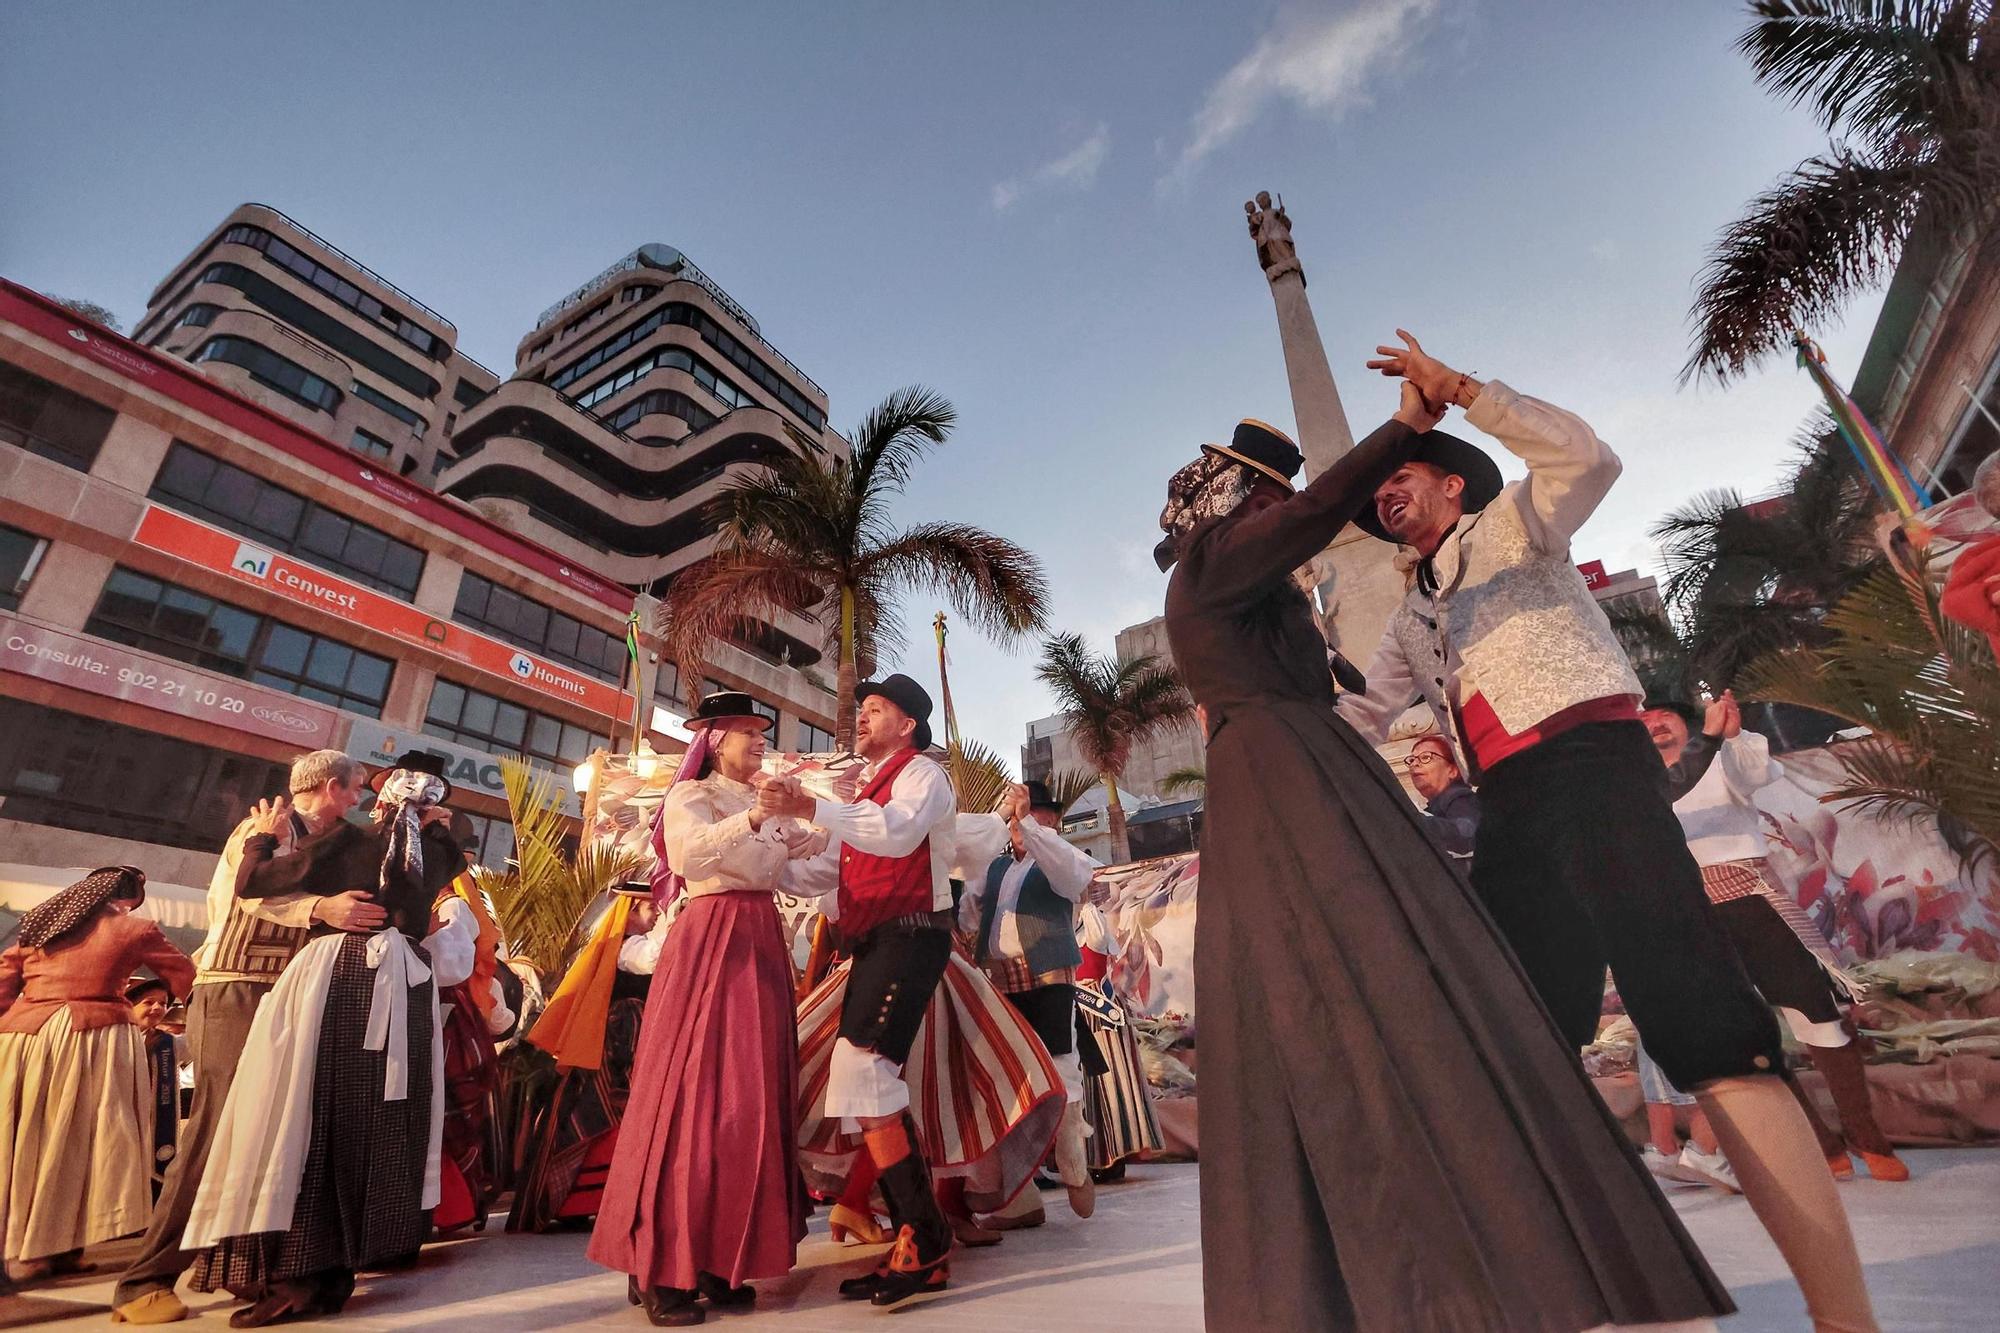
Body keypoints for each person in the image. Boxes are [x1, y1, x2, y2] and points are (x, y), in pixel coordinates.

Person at [1160, 396, 1742, 1330]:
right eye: (1276, 501)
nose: (1296, 516)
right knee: (1380, 992)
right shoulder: (1217, 564)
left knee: (1425, 996)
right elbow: (1315, 530)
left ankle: (1500, 1252)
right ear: (1243, 502)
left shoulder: (1272, 588)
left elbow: (1352, 694)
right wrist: (1402, 425)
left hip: (1325, 776)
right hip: (1295, 784)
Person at [1336, 332, 1876, 1332]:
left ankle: (1846, 1319)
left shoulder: (1512, 526)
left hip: (1592, 766)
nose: (1383, 494)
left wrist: (1461, 389)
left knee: (1699, 1018)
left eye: (1398, 474)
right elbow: (1362, 711)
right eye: (1376, 489)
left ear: (1451, 484)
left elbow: (1586, 459)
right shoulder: (1412, 614)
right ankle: (1605, 1297)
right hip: (1511, 809)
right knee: (1521, 1043)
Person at [181, 754, 474, 1327]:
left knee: (307, 1113)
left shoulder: (346, 842)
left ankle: (300, 1273)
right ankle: (334, 1270)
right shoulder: (439, 855)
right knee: (372, 1121)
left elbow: (253, 883)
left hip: (339, 977)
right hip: (405, 985)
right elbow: (443, 857)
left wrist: (261, 841)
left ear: (381, 798)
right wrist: (440, 828)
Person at [587, 692, 829, 1326]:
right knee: (691, 1095)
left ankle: (721, 1256)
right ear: (715, 740)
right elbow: (689, 858)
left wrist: (830, 813)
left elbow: (808, 865)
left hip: (759, 939)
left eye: (760, 733)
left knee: (748, 1098)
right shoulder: (689, 797)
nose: (758, 742)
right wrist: (754, 819)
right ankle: (661, 1267)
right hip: (710, 936)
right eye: (748, 732)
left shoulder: (769, 805)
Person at [110, 749, 376, 1326]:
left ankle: (240, 1268)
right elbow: (250, 896)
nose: (360, 801)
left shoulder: (319, 839)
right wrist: (323, 907)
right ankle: (142, 1281)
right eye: (355, 790)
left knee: (262, 1138)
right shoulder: (263, 827)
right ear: (330, 786)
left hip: (280, 995)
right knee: (214, 1132)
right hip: (236, 991)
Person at [760, 674, 1001, 1307]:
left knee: (863, 1069)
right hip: (876, 941)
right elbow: (821, 872)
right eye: (861, 709)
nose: (861, 718)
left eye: (876, 709)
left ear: (908, 725)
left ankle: (923, 1237)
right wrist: (755, 846)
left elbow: (894, 834)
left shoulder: (923, 775)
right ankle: (920, 1240)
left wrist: (809, 807)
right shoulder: (864, 791)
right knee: (861, 1076)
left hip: (912, 933)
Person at [1644, 692, 1907, 1183]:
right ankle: (1820, 1145)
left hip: (1751, 899)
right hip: (1691, 916)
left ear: (1688, 724)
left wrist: (1734, 732)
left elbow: (1755, 772)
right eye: (1645, 722)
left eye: (1665, 718)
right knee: (1748, 1034)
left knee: (1816, 1013)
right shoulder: (1637, 787)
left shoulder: (1724, 759)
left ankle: (1867, 1137)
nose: (1655, 726)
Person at [0, 868, 194, 1288]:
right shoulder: (134, 928)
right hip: (92, 1038)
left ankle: (55, 1247)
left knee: (26, 1141)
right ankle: (33, 1251)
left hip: (23, 1038)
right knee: (77, 1145)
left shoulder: (40, 925)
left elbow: (3, 982)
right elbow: (185, 975)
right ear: (124, 900)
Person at [955, 779, 1103, 1224]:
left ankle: (1072, 1153)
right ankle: (1018, 1197)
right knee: (1003, 1082)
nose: (1020, 820)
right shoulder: (995, 867)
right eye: (1017, 811)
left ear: (1049, 819)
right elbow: (969, 910)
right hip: (999, 982)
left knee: (1059, 1068)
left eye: (1031, 812)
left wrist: (1029, 828)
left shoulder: (1061, 856)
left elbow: (1073, 876)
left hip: (1048, 978)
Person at [507, 881, 668, 1233]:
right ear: (627, 915)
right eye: (648, 907)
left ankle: (604, 1200)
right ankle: (579, 1201)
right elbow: (652, 957)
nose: (656, 912)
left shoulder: (634, 946)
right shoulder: (627, 948)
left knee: (613, 1121)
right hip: (613, 1052)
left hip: (630, 1049)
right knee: (600, 1120)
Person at [127, 975, 182, 1201]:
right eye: (149, 1002)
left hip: (153, 1123)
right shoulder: (114, 1039)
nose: (158, 1007)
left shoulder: (168, 1044)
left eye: (163, 1003)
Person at [1403, 733, 1479, 859]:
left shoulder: (1460, 798)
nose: (1414, 764)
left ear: (1453, 771)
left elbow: (1465, 834)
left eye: (1426, 757)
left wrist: (1411, 819)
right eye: (1412, 760)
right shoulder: (1436, 805)